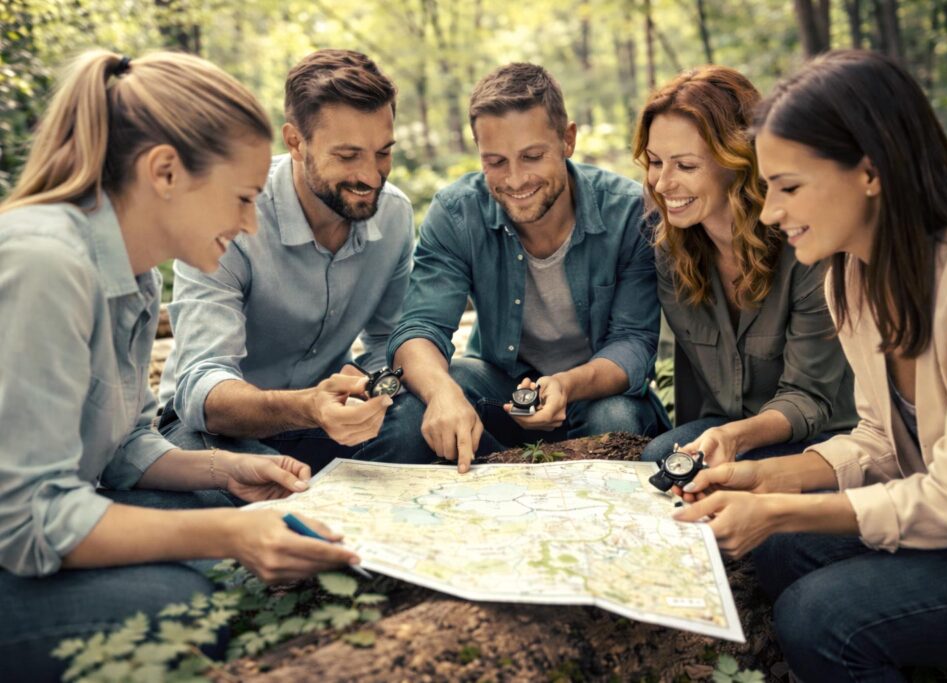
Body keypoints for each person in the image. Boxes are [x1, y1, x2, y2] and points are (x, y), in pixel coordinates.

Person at [0, 51, 361, 681]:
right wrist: (229, 534)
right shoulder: (44, 264)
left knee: (222, 531)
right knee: (183, 602)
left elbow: (123, 448)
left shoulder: (135, 275)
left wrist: (230, 469)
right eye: (243, 198)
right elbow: (31, 519)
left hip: (46, 522)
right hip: (20, 540)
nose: (250, 225)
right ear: (165, 171)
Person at [676, 50, 947, 680]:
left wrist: (783, 508)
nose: (772, 212)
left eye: (788, 186)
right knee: (782, 554)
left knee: (822, 616)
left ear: (869, 170)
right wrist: (762, 480)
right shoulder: (850, 277)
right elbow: (877, 442)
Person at [368, 63, 666, 472]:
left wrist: (565, 384)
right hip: (500, 388)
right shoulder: (457, 213)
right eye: (496, 161)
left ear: (568, 140)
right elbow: (420, 326)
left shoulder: (629, 212)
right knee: (423, 397)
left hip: (594, 393)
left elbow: (634, 342)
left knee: (616, 419)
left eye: (532, 156)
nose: (515, 179)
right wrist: (442, 394)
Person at [157, 49, 424, 473]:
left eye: (383, 153)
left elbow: (390, 343)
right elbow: (200, 388)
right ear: (296, 142)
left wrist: (368, 385)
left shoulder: (393, 215)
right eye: (348, 155)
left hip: (324, 425)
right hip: (217, 431)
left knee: (423, 420)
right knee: (218, 469)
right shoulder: (231, 214)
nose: (372, 177)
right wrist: (308, 406)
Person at [632, 66, 857, 467]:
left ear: (736, 160)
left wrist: (734, 437)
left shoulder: (806, 247)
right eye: (654, 162)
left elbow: (809, 399)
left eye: (685, 166)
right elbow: (690, 383)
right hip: (724, 430)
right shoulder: (671, 248)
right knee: (660, 457)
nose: (663, 184)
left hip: (822, 439)